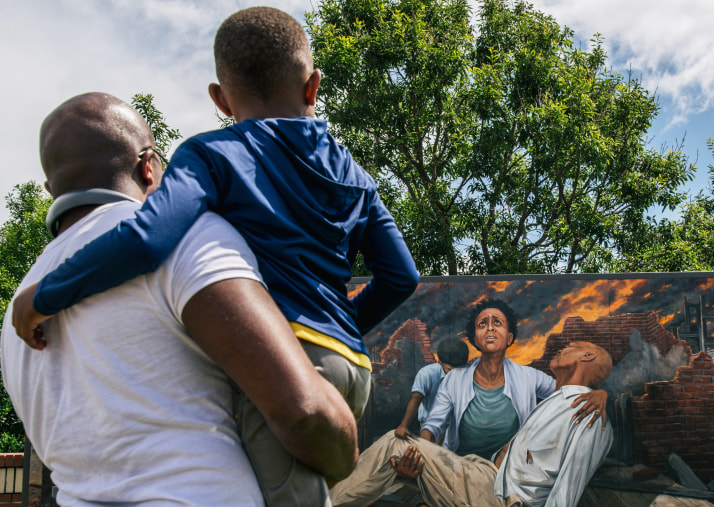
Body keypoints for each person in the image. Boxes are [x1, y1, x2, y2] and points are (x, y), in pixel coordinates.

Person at [12, 7, 418, 505]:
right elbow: (401, 276)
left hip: (295, 368)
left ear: (220, 99)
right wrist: (339, 328)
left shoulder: (213, 154)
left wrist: (46, 295)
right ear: (313, 86)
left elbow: (148, 238)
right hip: (352, 367)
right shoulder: (357, 177)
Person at [2, 92, 357, 505]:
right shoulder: (186, 237)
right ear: (148, 166)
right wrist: (346, 451)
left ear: (51, 188)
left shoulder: (18, 310)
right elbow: (304, 411)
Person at [329, 300, 608, 506]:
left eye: (497, 323)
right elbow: (433, 425)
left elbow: (567, 393)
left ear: (509, 337)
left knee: (393, 442)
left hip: (491, 483)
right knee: (398, 446)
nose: (489, 328)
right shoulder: (455, 380)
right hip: (463, 467)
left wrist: (600, 392)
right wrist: (417, 458)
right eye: (482, 323)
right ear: (475, 337)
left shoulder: (529, 378)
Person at [493, 341, 613, 506]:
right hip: (492, 479)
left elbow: (568, 487)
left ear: (587, 356)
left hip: (508, 499)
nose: (561, 348)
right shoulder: (556, 399)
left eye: (570, 346)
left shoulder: (589, 412)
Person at [394, 337, 470, 440]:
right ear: (439, 362)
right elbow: (416, 399)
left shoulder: (468, 372)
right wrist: (403, 426)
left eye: (458, 370)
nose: (454, 374)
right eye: (450, 370)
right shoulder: (427, 374)